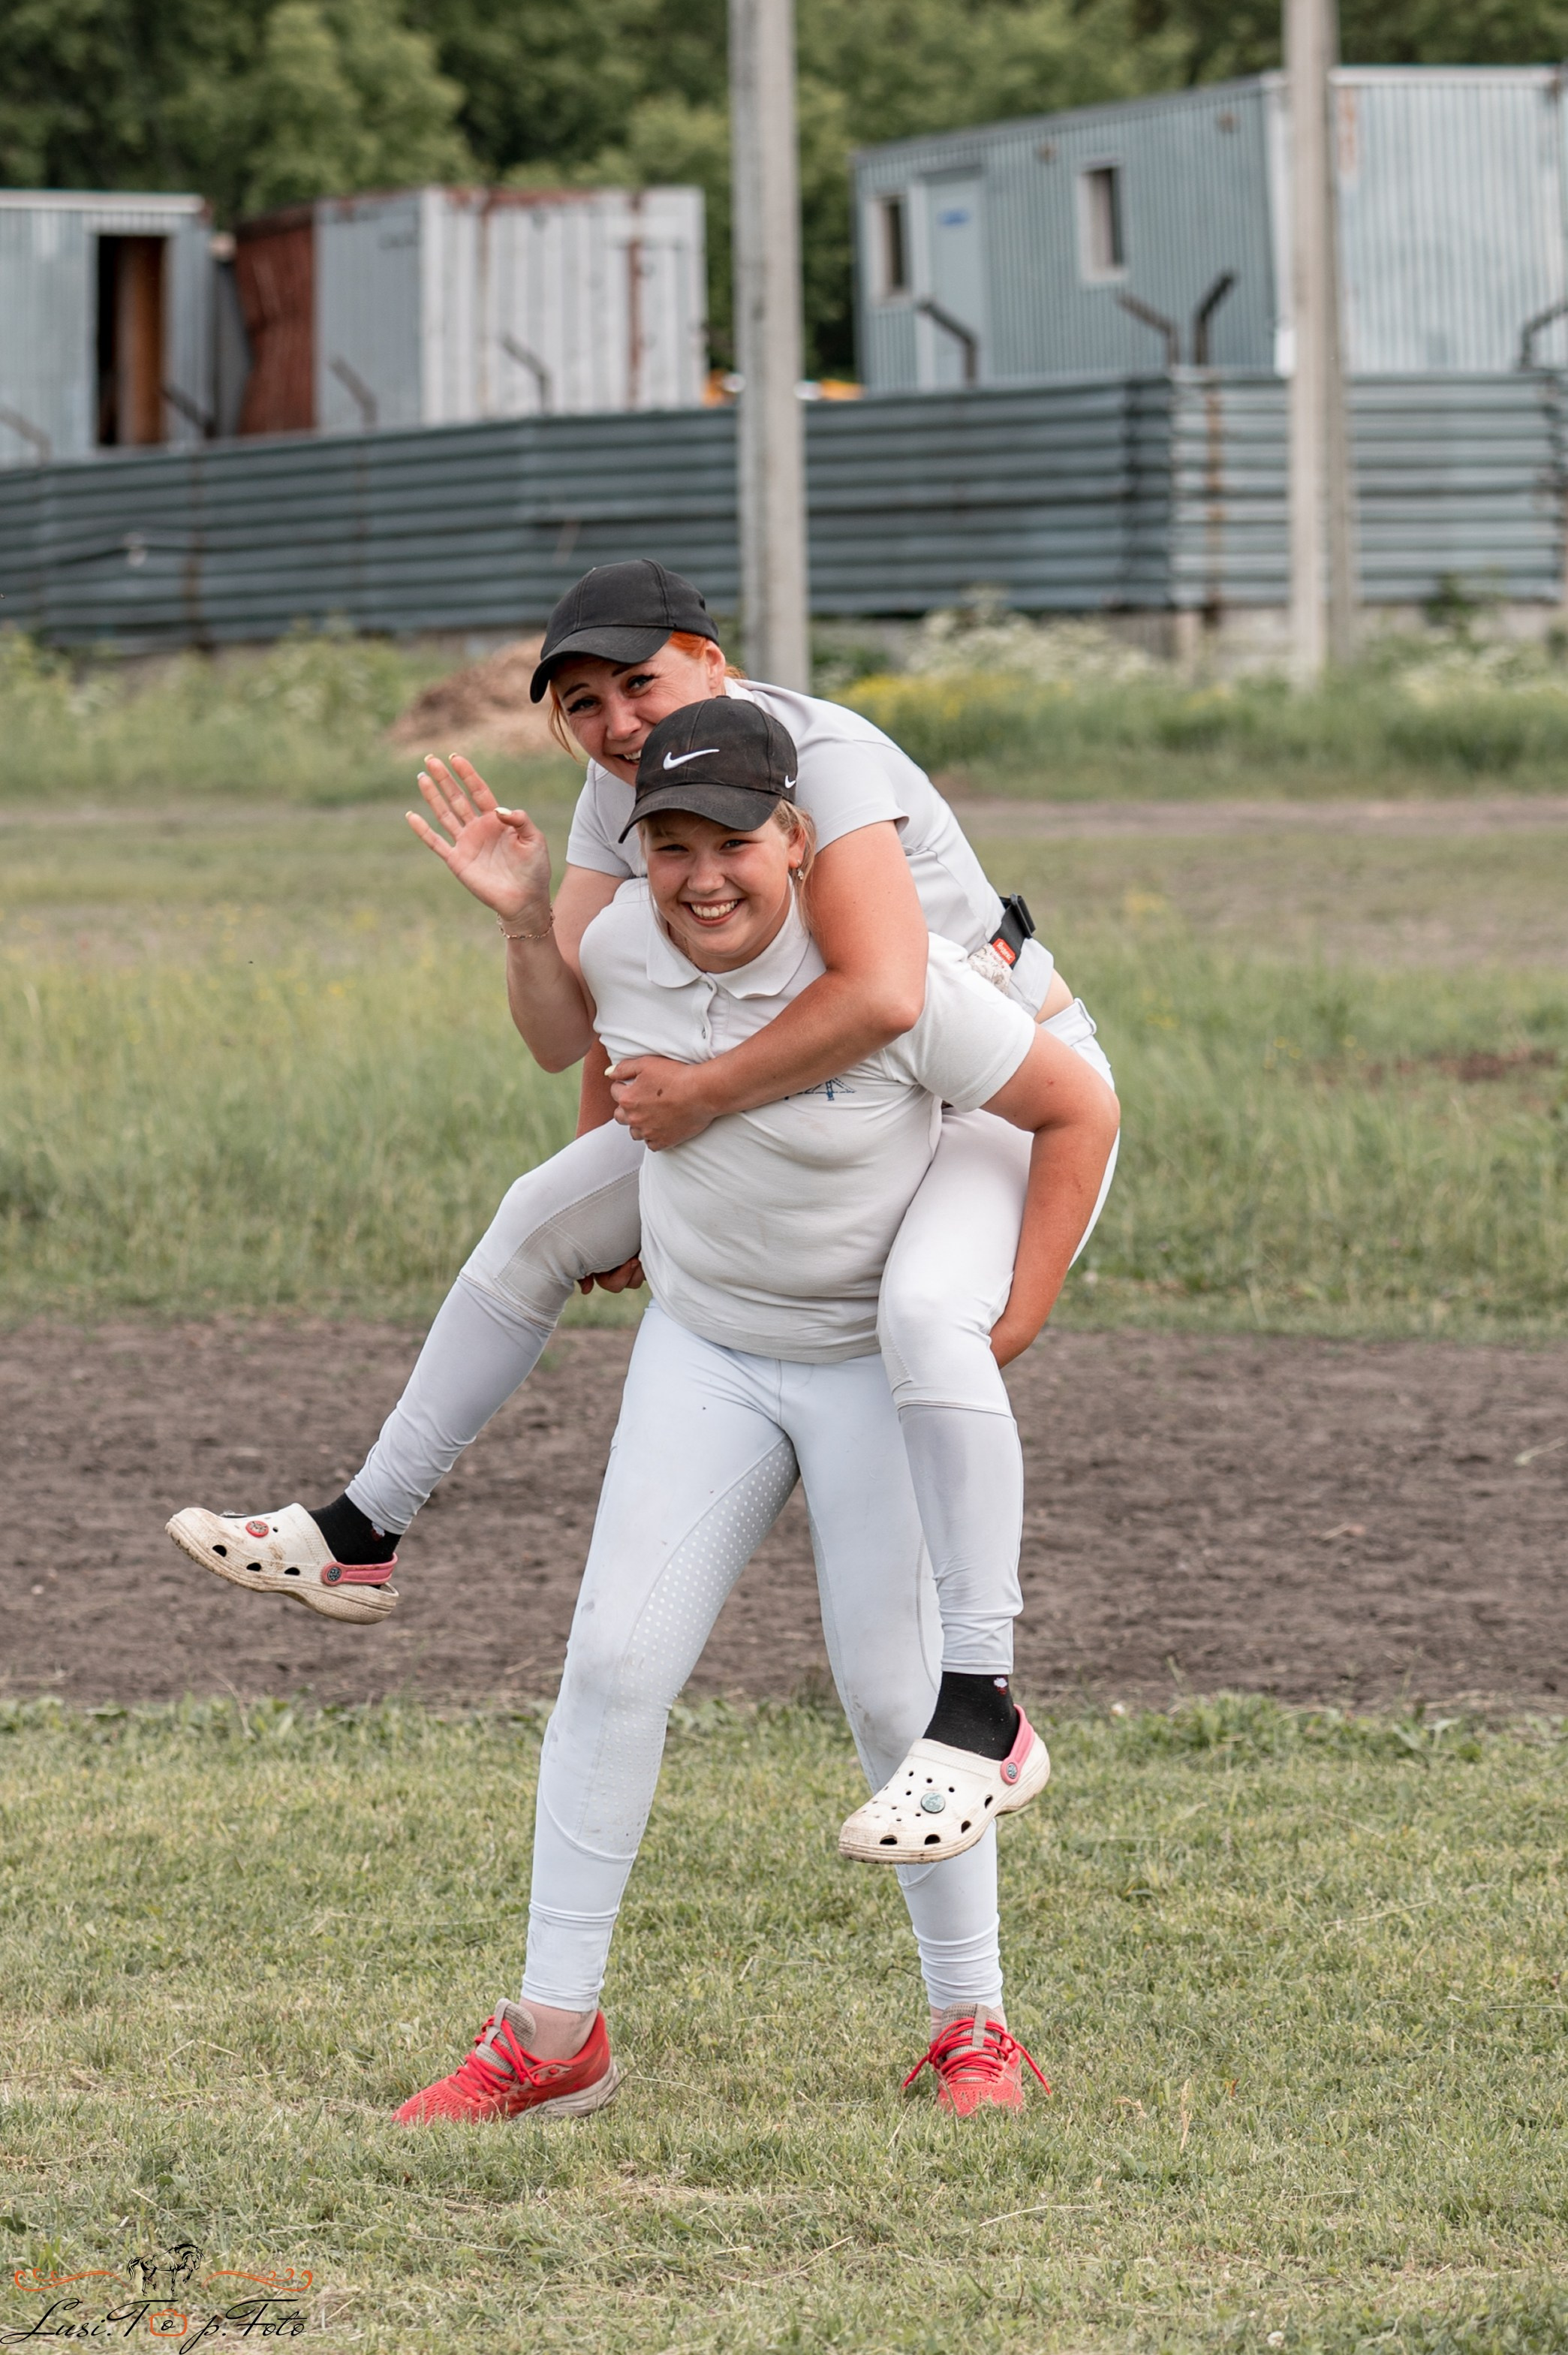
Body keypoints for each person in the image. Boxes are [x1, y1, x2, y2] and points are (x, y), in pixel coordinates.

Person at [167, 558, 1119, 1850]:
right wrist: (622, 1157)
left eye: (640, 683)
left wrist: (693, 1106)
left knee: (925, 1318)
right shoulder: (627, 789)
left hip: (992, 1085)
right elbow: (600, 1016)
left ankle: (982, 1706)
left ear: (713, 663)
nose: (615, 722)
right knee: (538, 1212)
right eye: (582, 702)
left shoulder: (817, 760)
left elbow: (887, 996)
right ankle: (360, 1529)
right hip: (818, 1091)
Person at [391, 699, 1119, 2123]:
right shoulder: (620, 946)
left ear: (796, 839)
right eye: (668, 845)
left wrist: (1008, 1315)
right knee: (608, 1665)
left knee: (896, 1698)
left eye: (731, 841)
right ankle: (552, 2038)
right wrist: (524, 918)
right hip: (706, 1352)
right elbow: (572, 1051)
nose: (700, 875)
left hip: (867, 1369)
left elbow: (1076, 1106)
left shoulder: (888, 978)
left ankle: (973, 2028)